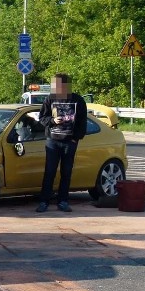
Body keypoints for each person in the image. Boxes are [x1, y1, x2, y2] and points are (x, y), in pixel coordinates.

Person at [36, 73, 87, 213]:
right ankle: (44, 202)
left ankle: (63, 201)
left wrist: (75, 138)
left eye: (58, 85)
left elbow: (82, 122)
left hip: (70, 141)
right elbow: (42, 118)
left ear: (66, 86)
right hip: (52, 141)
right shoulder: (50, 99)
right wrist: (53, 121)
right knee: (49, 172)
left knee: (66, 172)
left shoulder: (78, 100)